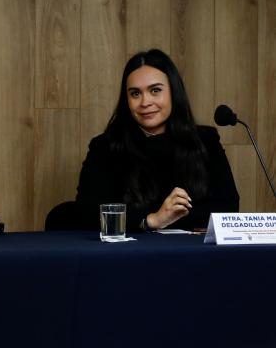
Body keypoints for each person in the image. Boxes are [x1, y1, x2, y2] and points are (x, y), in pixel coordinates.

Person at [74, 48, 238, 232]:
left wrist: (167, 217)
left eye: (155, 90)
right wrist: (151, 220)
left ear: (174, 93)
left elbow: (228, 210)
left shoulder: (206, 141)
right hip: (129, 255)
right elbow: (87, 213)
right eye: (135, 94)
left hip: (192, 253)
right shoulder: (105, 147)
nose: (145, 102)